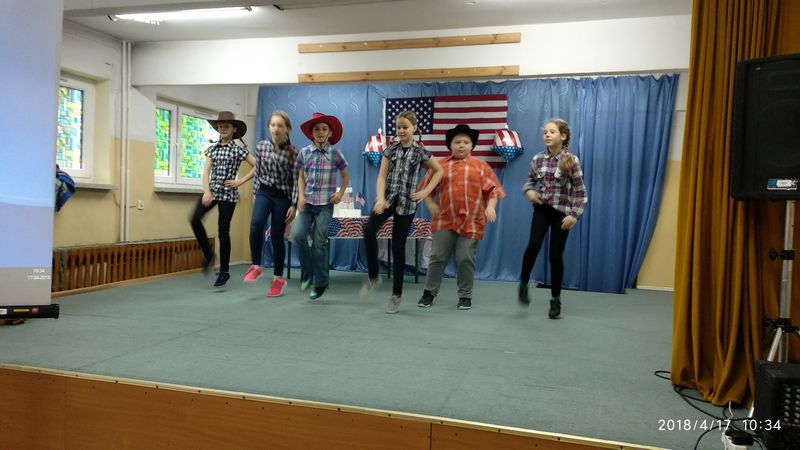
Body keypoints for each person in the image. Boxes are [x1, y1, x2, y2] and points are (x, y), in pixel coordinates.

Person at [360, 111, 443, 314]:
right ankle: (374, 277)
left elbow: (439, 171)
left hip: (407, 204)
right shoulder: (390, 150)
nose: (401, 130)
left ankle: (396, 295)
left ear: (414, 128)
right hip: (387, 199)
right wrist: (380, 199)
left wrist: (425, 191)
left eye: (405, 127)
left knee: (398, 247)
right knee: (368, 230)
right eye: (398, 127)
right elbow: (381, 177)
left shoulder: (420, 151)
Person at [416, 124, 504, 311]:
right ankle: (429, 292)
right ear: (450, 145)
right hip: (445, 219)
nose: (461, 145)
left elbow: (494, 190)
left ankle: (465, 296)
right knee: (437, 256)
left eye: (465, 142)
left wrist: (490, 206)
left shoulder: (481, 166)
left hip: (471, 221)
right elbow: (425, 189)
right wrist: (430, 203)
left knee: (465, 258)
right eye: (457, 142)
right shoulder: (439, 166)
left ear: (472, 145)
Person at [518, 118, 588, 319]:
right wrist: (529, 191)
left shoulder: (571, 160)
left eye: (552, 132)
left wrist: (574, 215)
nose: (547, 135)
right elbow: (529, 181)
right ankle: (523, 283)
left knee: (555, 256)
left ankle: (555, 299)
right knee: (533, 245)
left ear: (563, 136)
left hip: (562, 214)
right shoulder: (538, 159)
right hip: (542, 209)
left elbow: (581, 192)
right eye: (545, 132)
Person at [190, 111, 257, 287]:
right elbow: (206, 171)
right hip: (212, 191)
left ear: (234, 129)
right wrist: (206, 192)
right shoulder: (212, 149)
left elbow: (257, 166)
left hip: (228, 194)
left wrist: (240, 181)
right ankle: (209, 254)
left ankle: (224, 271)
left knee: (223, 231)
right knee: (195, 219)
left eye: (226, 126)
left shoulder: (238, 150)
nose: (223, 129)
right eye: (220, 126)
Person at [290, 112, 350, 300]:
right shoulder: (304, 152)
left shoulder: (336, 153)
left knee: (319, 243)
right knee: (297, 235)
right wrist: (301, 196)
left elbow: (345, 176)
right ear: (311, 133)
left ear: (330, 132)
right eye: (316, 129)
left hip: (325, 205)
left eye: (324, 129)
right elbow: (300, 176)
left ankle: (321, 283)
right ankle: (308, 272)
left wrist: (340, 193)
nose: (320, 132)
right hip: (307, 203)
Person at [242, 111, 297, 297]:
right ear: (269, 127)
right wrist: (256, 193)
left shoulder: (293, 152)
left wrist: (294, 205)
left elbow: (296, 180)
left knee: (276, 236)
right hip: (264, 191)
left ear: (287, 129)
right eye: (273, 125)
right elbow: (258, 172)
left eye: (280, 125)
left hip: (283, 196)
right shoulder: (261, 147)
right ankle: (256, 265)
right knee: (256, 223)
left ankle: (278, 279)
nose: (276, 129)